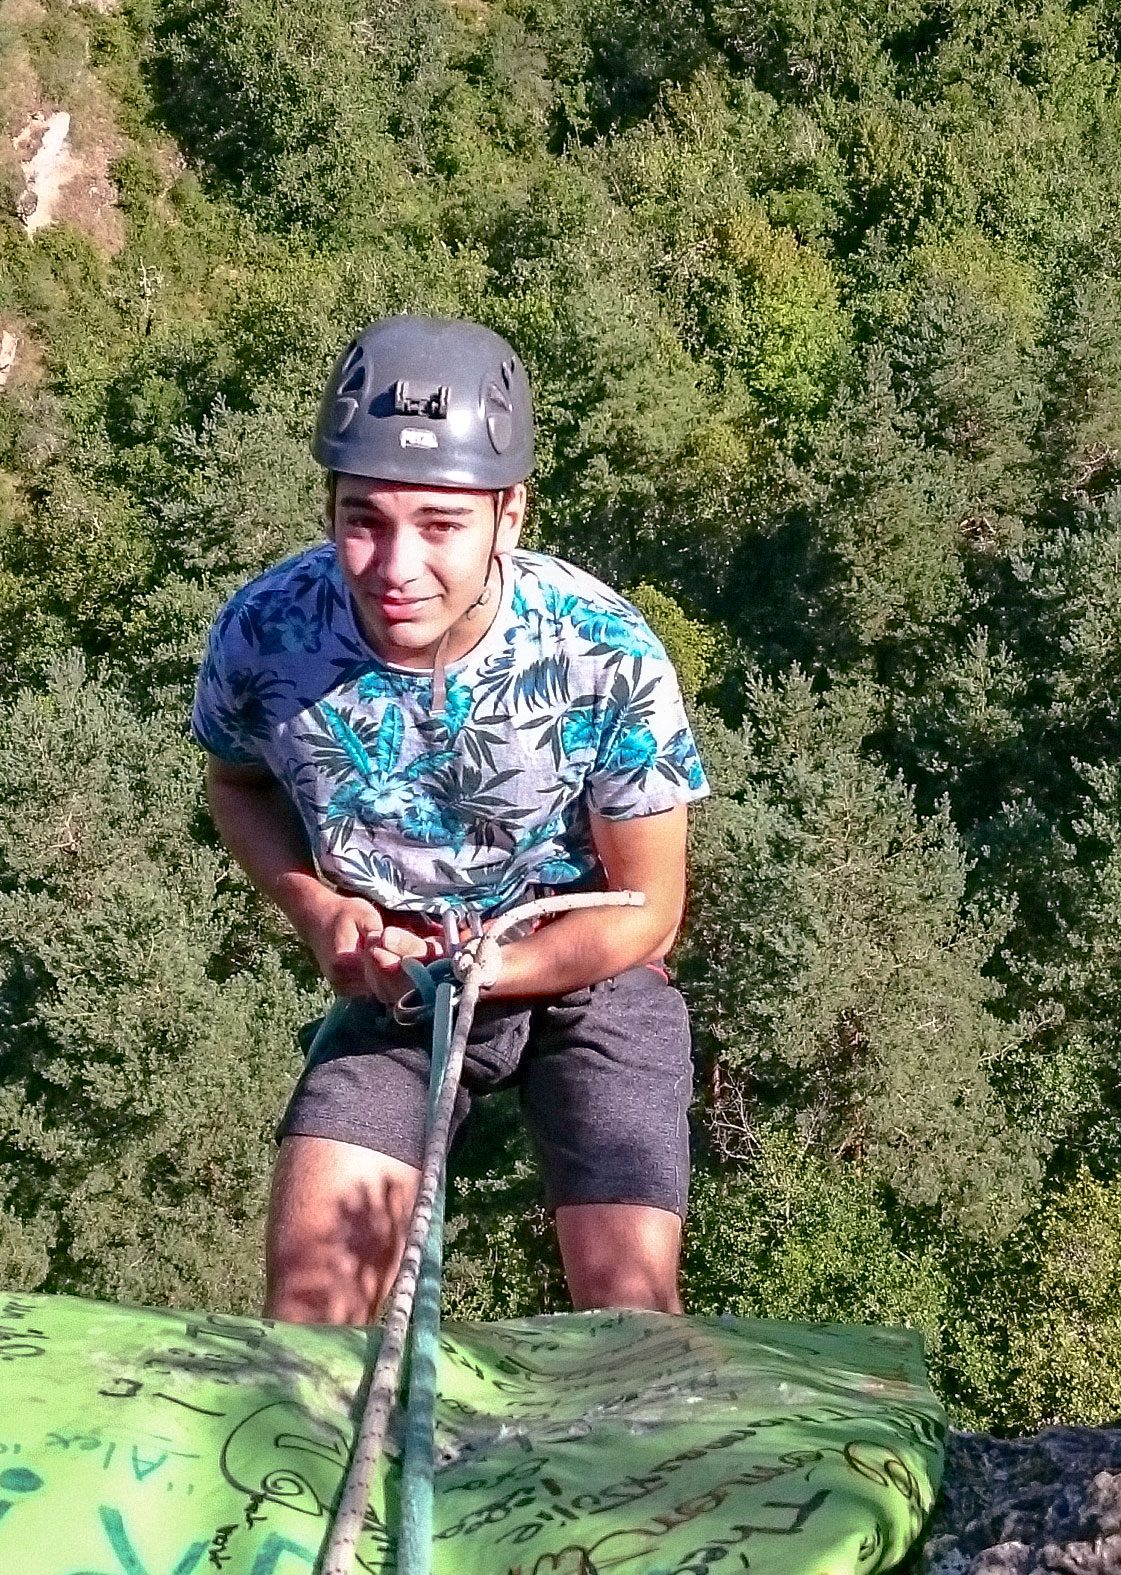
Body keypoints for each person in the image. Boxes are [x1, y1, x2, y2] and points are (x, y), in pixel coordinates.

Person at [192, 317, 709, 1325]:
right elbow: (237, 785)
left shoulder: (600, 651)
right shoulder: (269, 635)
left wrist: (494, 970)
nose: (395, 565)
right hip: (400, 977)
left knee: (628, 1310)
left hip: (584, 969)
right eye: (364, 519)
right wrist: (320, 911)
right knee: (311, 1307)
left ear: (508, 515)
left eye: (440, 524)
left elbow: (648, 909)